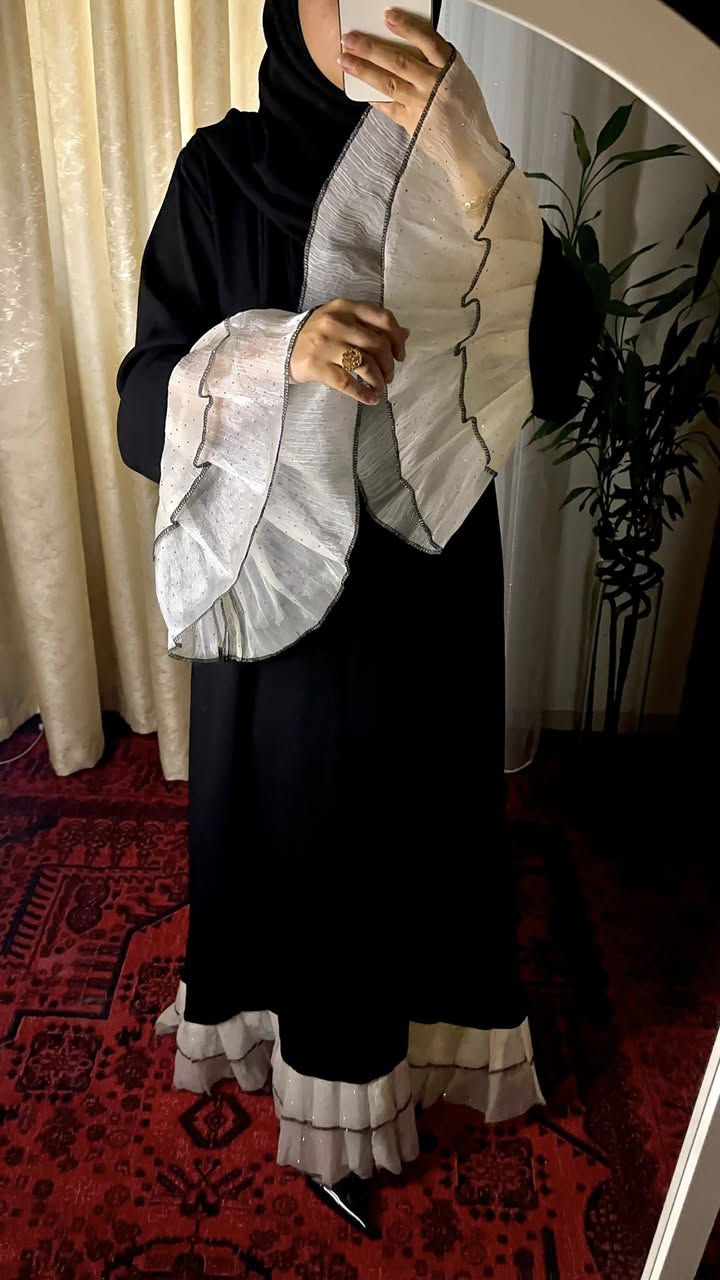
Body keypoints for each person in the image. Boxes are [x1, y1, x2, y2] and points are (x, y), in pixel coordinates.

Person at [116, 0, 598, 1237]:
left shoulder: (460, 167)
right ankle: (321, 1087)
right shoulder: (220, 175)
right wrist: (278, 355)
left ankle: (418, 1056)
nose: (374, 11)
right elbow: (140, 408)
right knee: (302, 840)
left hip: (432, 593)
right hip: (289, 616)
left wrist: (474, 163)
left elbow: (559, 362)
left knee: (422, 836)